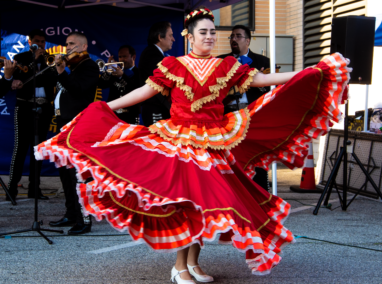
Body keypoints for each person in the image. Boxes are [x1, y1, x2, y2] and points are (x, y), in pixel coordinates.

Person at [35, 7, 350, 283]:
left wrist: (308, 72)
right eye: (204, 32)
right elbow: (144, 92)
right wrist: (107, 107)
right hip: (179, 142)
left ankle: (193, 263)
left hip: (212, 142)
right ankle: (178, 267)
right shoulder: (173, 65)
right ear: (190, 36)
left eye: (214, 32)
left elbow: (261, 82)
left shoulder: (226, 66)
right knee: (190, 202)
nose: (211, 37)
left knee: (205, 205)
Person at [47, 31, 99, 235]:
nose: (67, 47)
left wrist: (62, 73)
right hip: (62, 124)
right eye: (66, 44)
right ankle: (70, 214)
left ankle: (84, 219)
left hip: (77, 126)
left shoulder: (89, 66)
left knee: (77, 174)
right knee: (64, 172)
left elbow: (78, 89)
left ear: (84, 46)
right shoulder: (71, 66)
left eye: (72, 44)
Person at [218, 25, 271, 191]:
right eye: (232, 36)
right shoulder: (220, 61)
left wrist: (255, 83)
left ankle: (261, 192)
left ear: (247, 41)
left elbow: (269, 89)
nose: (234, 39)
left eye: (238, 36)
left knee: (255, 155)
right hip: (228, 114)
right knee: (229, 156)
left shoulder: (263, 61)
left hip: (252, 114)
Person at [6, 29, 57, 201]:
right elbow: (21, 79)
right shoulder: (21, 58)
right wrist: (34, 61)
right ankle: (11, 189)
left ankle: (34, 189)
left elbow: (50, 79)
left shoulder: (50, 59)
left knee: (39, 150)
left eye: (43, 41)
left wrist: (41, 62)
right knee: (20, 149)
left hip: (44, 108)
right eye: (37, 41)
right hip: (25, 107)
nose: (40, 44)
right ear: (29, 42)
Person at [139, 21, 175, 126]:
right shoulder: (151, 54)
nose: (173, 39)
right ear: (160, 37)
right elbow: (159, 85)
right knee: (157, 141)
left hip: (158, 108)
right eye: (171, 35)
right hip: (155, 108)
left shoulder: (155, 53)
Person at [97, 45, 141, 124]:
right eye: (120, 57)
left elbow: (137, 91)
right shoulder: (115, 71)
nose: (121, 59)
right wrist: (108, 71)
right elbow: (101, 84)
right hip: (112, 116)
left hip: (130, 116)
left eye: (125, 56)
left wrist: (122, 76)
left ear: (133, 57)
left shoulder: (140, 73)